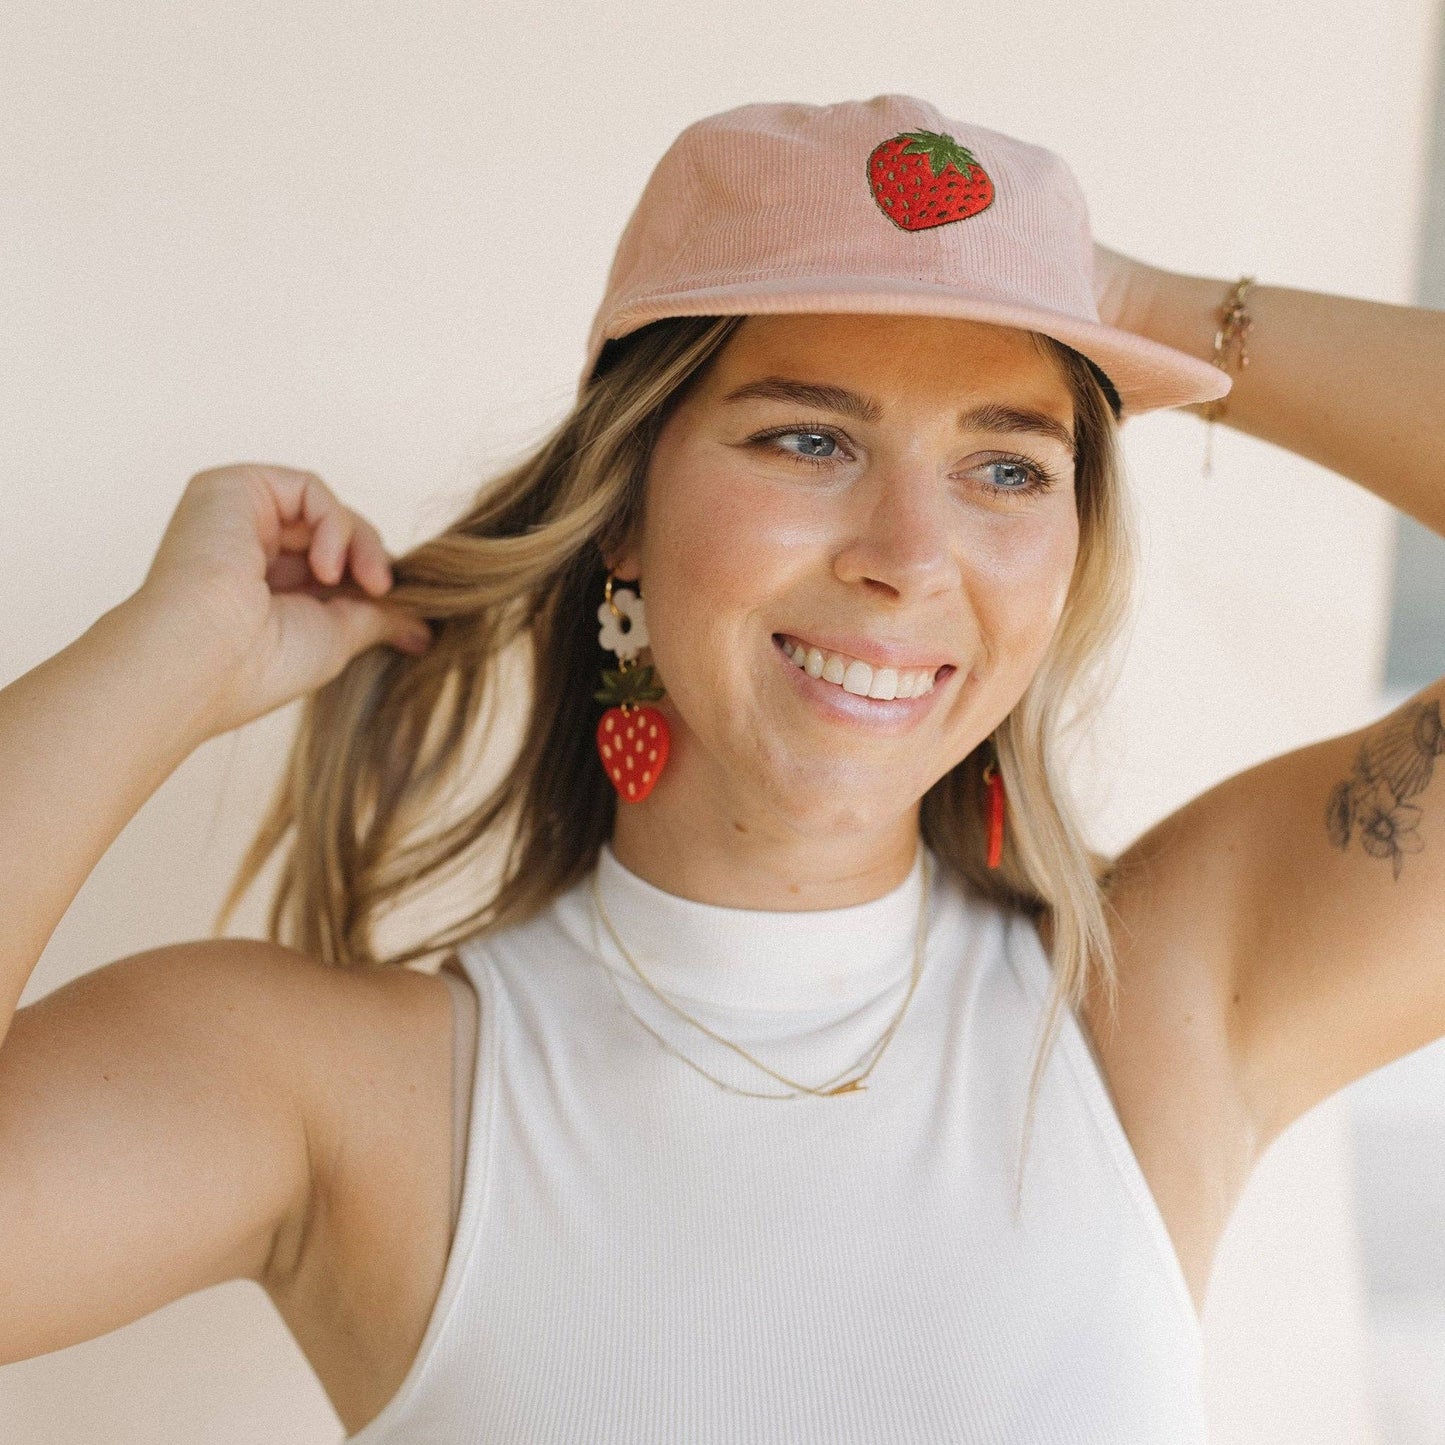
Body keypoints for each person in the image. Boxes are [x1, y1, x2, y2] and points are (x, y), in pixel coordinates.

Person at [2, 92, 1442, 1442]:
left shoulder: (1157, 1007)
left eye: (1005, 466)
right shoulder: (340, 1094)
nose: (908, 558)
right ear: (620, 511)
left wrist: (1114, 303)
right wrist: (166, 659)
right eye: (808, 439)